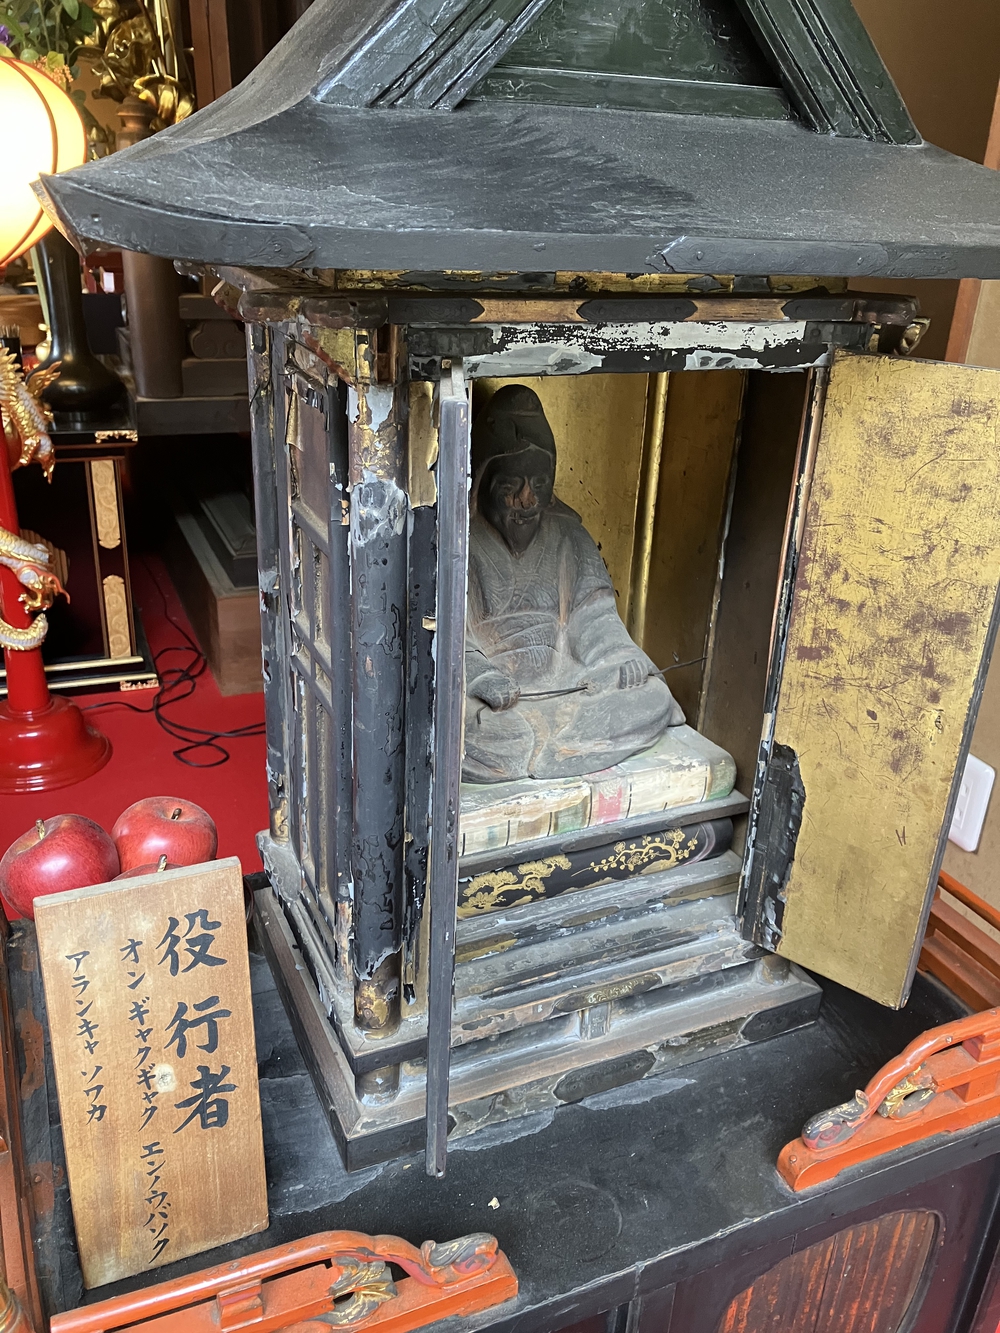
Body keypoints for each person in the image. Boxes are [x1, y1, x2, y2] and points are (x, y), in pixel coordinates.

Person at [464, 384, 683, 783]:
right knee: (457, 722)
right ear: (483, 481)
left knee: (653, 697)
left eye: (540, 483)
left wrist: (615, 658)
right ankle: (554, 748)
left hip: (567, 688)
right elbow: (448, 639)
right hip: (499, 701)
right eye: (511, 485)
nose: (528, 499)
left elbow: (594, 617)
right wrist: (481, 677)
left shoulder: (569, 538)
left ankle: (550, 752)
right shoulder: (459, 544)